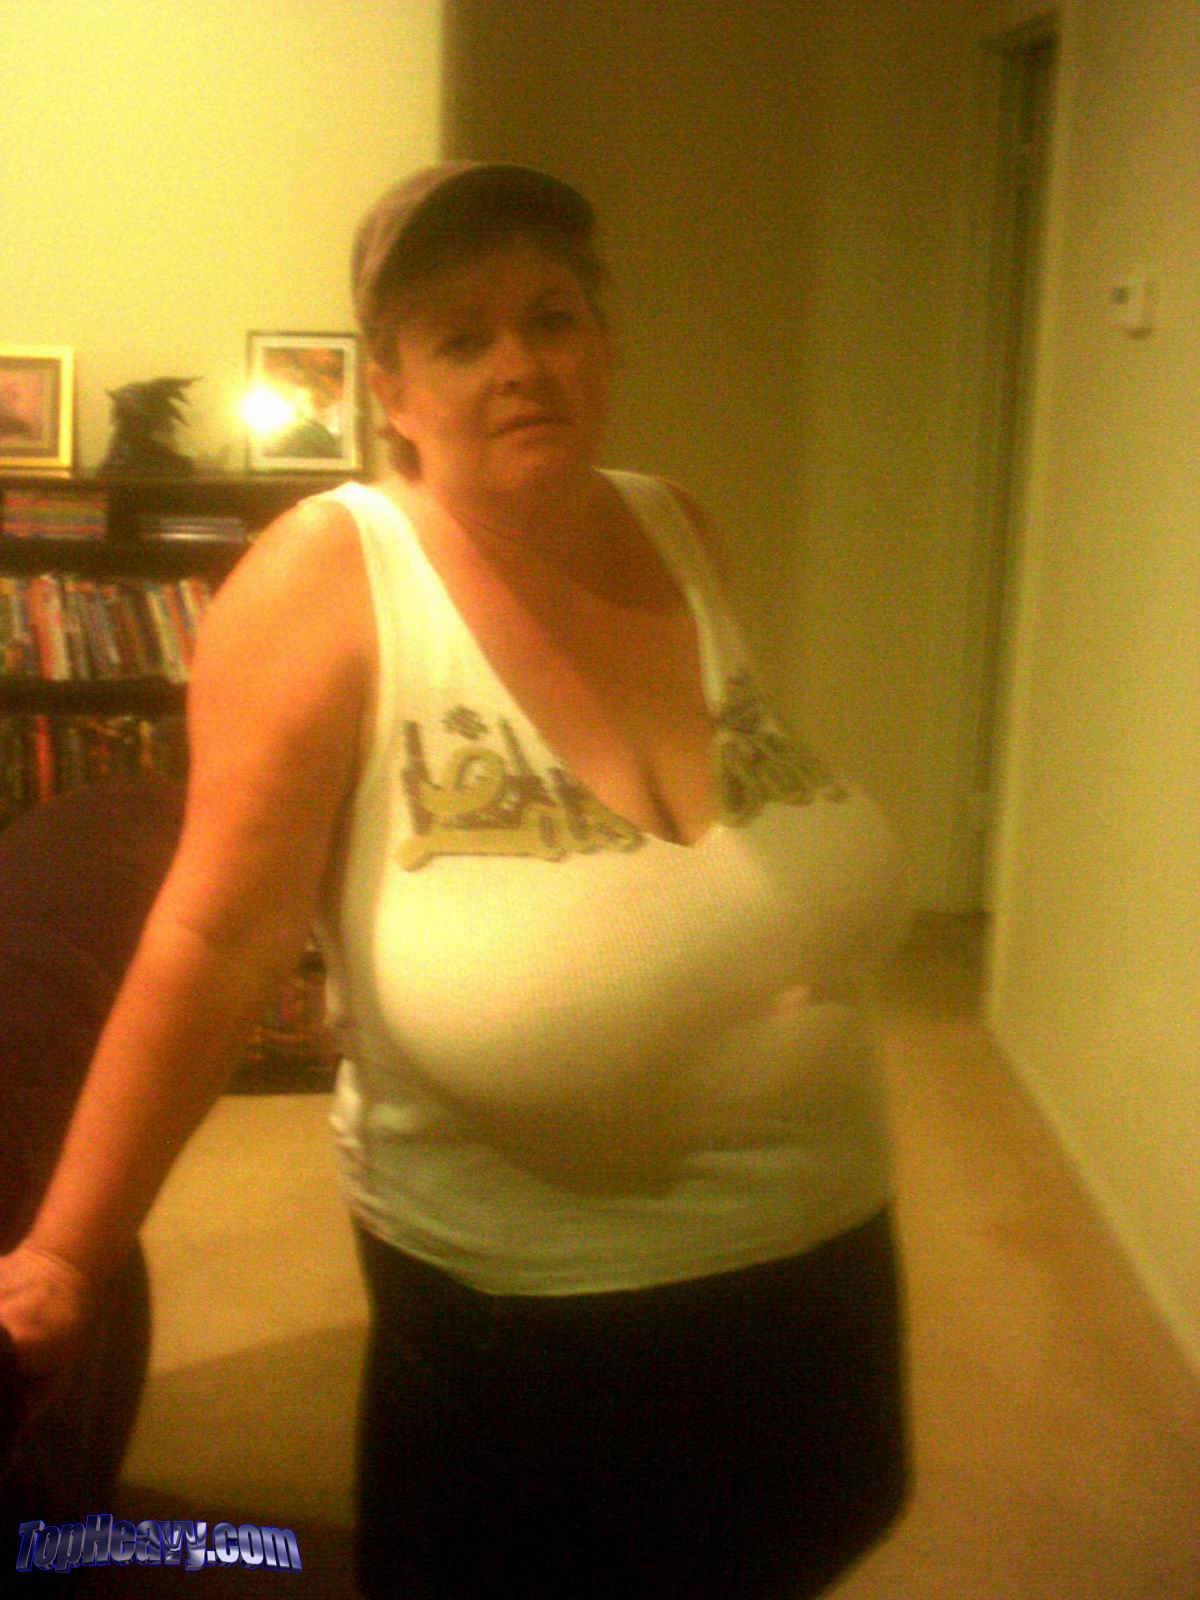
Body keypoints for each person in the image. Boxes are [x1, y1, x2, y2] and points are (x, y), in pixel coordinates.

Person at [0, 162, 915, 1598]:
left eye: (552, 316)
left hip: (826, 1254)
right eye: (460, 335)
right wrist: (65, 1253)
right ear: (391, 389)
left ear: (604, 341)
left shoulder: (678, 526)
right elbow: (216, 935)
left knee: (795, 1547)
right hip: (535, 1326)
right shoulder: (324, 582)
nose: (520, 364)